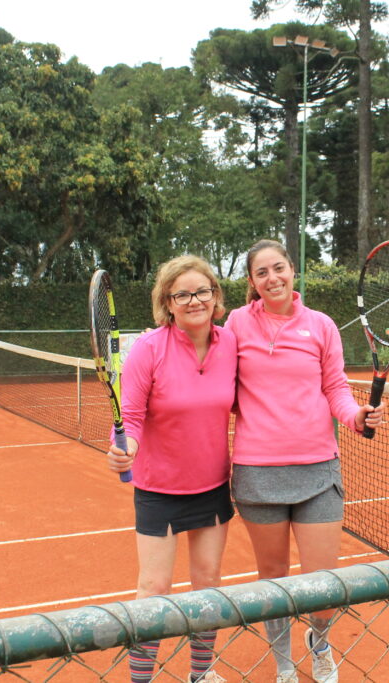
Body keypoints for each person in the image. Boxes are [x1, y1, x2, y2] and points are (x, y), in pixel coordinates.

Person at [225, 240, 384, 683]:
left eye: (279, 268)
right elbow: (220, 384)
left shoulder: (321, 325)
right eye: (262, 272)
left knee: (323, 589)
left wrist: (356, 416)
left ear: (293, 271)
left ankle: (320, 642)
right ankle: (283, 667)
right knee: (273, 583)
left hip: (318, 470)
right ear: (252, 282)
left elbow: (335, 387)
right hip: (258, 474)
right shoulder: (236, 323)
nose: (272, 278)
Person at [106, 255, 237, 683]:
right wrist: (123, 447)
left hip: (213, 485)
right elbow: (132, 416)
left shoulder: (230, 343)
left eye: (202, 291)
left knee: (208, 585)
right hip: (159, 489)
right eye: (182, 294)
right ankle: (141, 679)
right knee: (153, 590)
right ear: (168, 302)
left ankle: (201, 673)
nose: (194, 300)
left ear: (215, 296)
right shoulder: (148, 349)